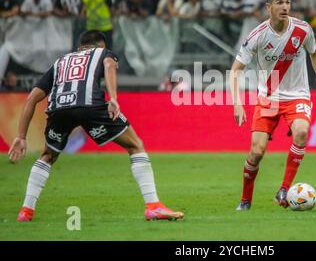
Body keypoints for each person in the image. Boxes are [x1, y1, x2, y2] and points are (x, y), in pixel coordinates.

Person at [8, 30, 184, 222]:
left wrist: (21, 136)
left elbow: (32, 99)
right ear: (101, 45)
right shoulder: (104, 53)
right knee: (135, 145)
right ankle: (153, 206)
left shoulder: (60, 62)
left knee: (48, 156)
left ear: (79, 47)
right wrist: (114, 98)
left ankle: (26, 211)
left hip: (58, 109)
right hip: (91, 106)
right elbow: (109, 65)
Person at [230, 0, 316, 210]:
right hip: (268, 99)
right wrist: (237, 104)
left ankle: (284, 189)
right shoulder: (257, 36)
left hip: (297, 96)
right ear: (268, 7)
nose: (285, 7)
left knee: (302, 132)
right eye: (279, 3)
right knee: (256, 152)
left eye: (288, 2)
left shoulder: (303, 29)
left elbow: (315, 54)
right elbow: (235, 69)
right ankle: (245, 199)